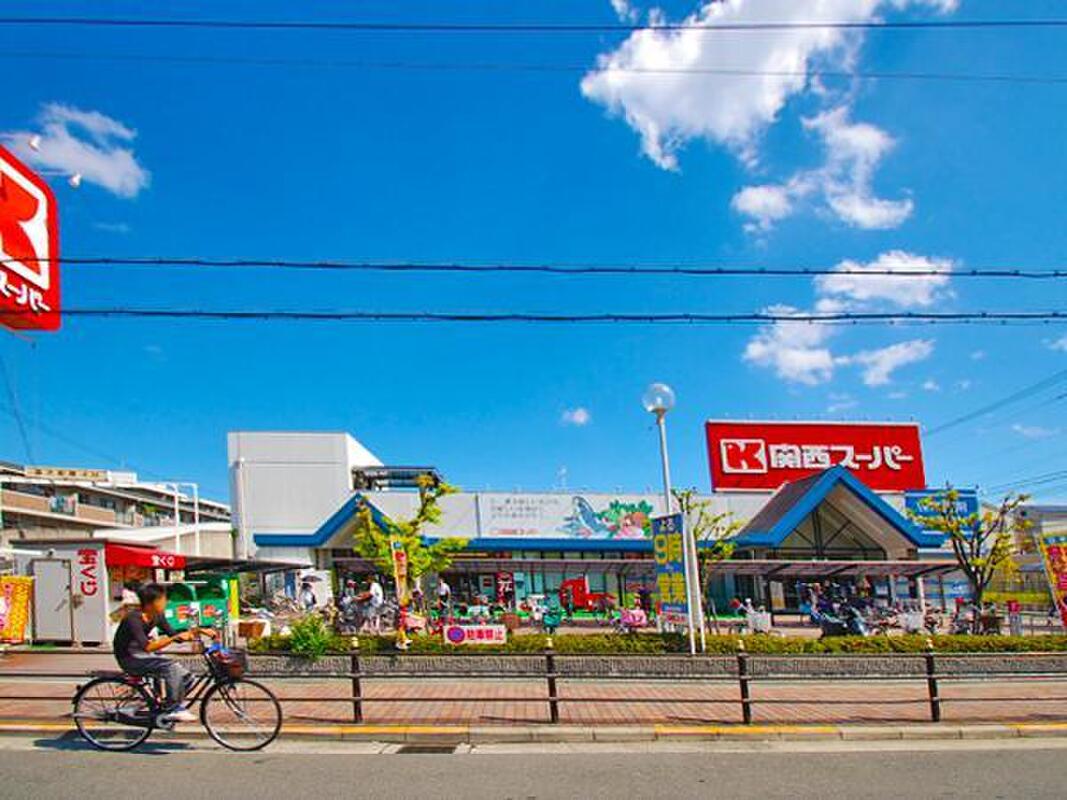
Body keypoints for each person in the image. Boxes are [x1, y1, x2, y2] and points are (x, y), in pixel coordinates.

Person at [112, 583, 215, 723]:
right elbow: (148, 647)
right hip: (129, 658)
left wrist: (200, 631)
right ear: (150, 603)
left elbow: (173, 633)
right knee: (170, 667)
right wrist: (172, 639)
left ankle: (168, 705)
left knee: (187, 677)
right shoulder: (133, 619)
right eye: (162, 599)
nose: (166, 602)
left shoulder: (157, 616)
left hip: (143, 655)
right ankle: (173, 709)